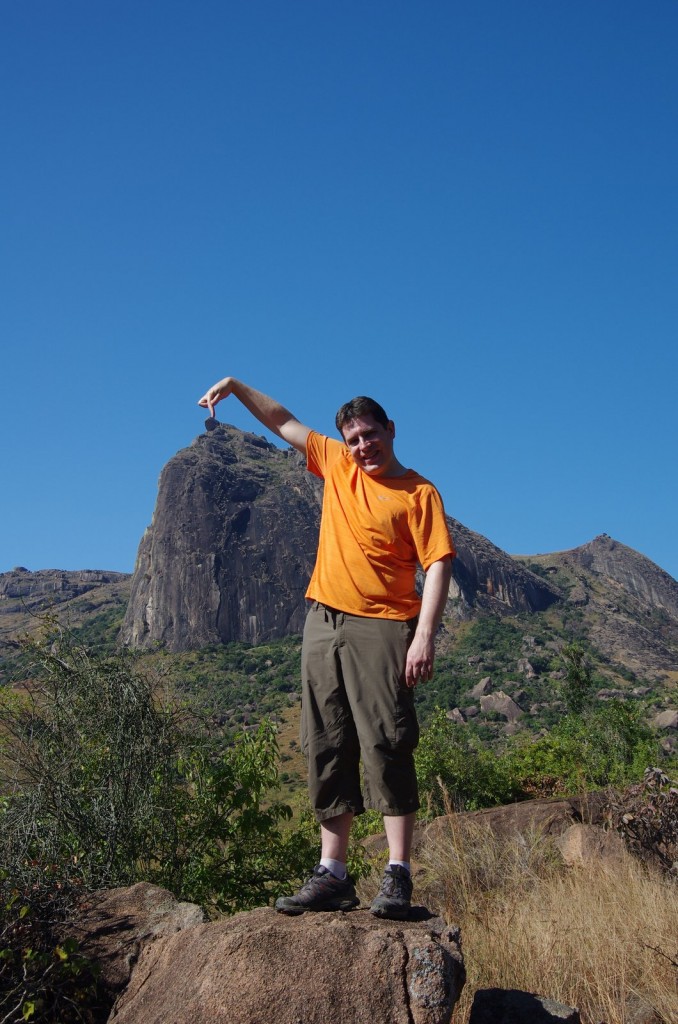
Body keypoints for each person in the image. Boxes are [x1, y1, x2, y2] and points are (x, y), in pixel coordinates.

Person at [197, 377, 455, 919]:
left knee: (386, 740)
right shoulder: (336, 462)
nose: (363, 446)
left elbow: (437, 564)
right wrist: (235, 387)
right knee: (326, 741)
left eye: (370, 434)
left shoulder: (419, 493)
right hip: (322, 619)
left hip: (383, 624)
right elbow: (283, 421)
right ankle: (332, 873)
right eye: (353, 438)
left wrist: (425, 634)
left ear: (390, 430)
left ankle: (398, 873)